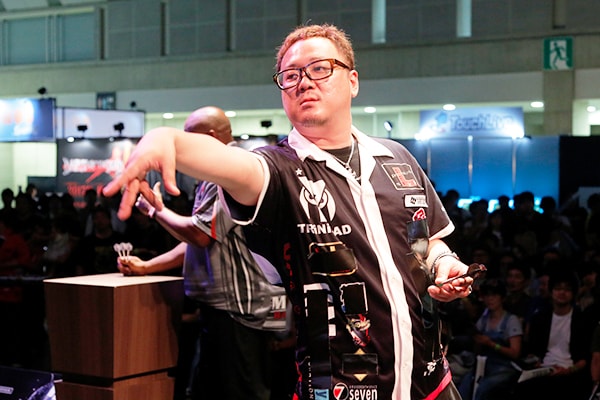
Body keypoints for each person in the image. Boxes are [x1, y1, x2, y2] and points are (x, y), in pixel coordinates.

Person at [104, 24, 475, 399]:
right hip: (339, 389)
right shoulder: (277, 169)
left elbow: (428, 243)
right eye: (291, 75)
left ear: (353, 81)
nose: (304, 82)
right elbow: (230, 164)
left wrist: (444, 264)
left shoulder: (397, 158)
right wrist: (164, 138)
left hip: (433, 383)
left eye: (320, 68)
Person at [117, 106, 288, 400]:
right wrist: (147, 267)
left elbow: (200, 234)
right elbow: (201, 240)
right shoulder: (223, 170)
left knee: (241, 394)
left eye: (188, 136)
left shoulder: (229, 170)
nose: (182, 145)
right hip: (227, 309)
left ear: (210, 137)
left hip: (240, 311)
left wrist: (157, 210)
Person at [515, 271, 592, 400]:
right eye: (558, 288)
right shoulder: (540, 318)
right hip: (544, 369)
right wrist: (536, 362)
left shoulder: (582, 320)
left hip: (571, 372)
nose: (562, 292)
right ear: (551, 291)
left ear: (573, 293)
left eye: (567, 289)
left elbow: (585, 358)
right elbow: (532, 351)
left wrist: (568, 370)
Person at [458, 279, 522, 400]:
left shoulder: (511, 320)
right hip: (484, 364)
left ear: (502, 298)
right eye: (487, 296)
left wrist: (491, 344)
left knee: (484, 388)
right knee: (465, 384)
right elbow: (477, 350)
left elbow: (515, 353)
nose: (490, 299)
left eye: (494, 295)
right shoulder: (483, 319)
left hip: (505, 367)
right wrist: (477, 341)